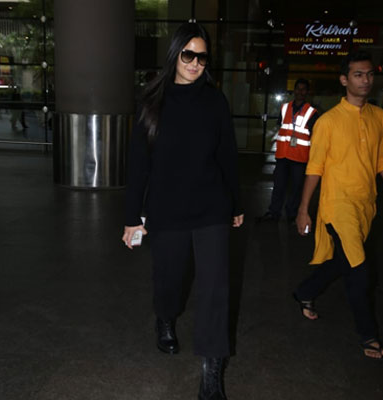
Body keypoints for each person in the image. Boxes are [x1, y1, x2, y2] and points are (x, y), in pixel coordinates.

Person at [122, 22, 243, 400]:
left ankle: (211, 372)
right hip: (167, 209)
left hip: (211, 208)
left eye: (202, 57)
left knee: (215, 289)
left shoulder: (215, 101)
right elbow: (138, 165)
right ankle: (165, 316)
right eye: (188, 54)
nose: (194, 63)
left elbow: (227, 156)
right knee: (170, 279)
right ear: (175, 54)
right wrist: (131, 218)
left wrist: (236, 203)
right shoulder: (151, 102)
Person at [292, 50, 383, 359]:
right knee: (359, 271)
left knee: (344, 261)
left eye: (369, 74)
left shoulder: (379, 118)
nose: (365, 80)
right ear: (344, 80)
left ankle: (305, 292)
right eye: (358, 75)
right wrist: (303, 209)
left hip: (366, 205)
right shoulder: (328, 122)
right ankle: (368, 335)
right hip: (337, 206)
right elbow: (315, 168)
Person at [257, 78, 319, 224]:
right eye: (298, 89)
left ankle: (292, 214)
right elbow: (281, 128)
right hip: (283, 155)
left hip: (299, 157)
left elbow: (315, 136)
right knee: (278, 186)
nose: (300, 92)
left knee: (296, 188)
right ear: (294, 90)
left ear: (307, 92)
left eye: (303, 89)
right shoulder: (284, 108)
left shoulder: (312, 112)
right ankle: (274, 213)